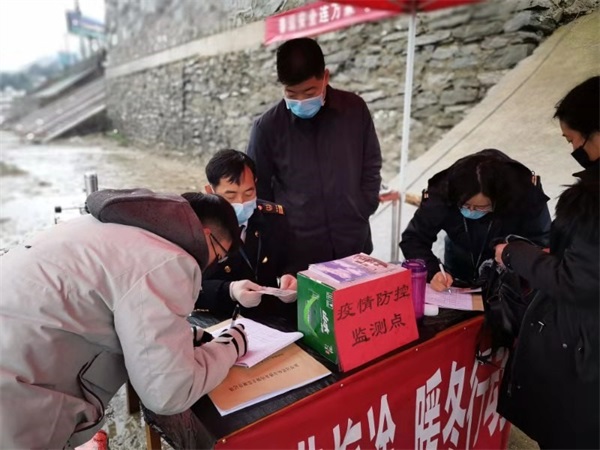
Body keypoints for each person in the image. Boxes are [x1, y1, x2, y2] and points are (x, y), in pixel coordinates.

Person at [0, 189, 248, 449]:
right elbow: (167, 393)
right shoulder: (170, 260)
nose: (214, 263)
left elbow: (104, 304)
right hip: (17, 399)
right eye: (220, 254)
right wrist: (229, 346)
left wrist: (180, 338)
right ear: (207, 235)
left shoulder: (106, 227)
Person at [494, 76, 599, 449]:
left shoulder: (593, 200)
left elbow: (576, 280)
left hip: (585, 356)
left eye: (572, 141)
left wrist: (514, 253)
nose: (574, 150)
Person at [247, 37, 382, 271]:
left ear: (325, 77)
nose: (301, 101)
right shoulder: (267, 128)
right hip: (298, 253)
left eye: (309, 92)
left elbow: (371, 164)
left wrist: (363, 208)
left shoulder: (353, 109)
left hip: (353, 243)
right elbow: (260, 192)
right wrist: (279, 232)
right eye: (291, 93)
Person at [400, 148, 551, 291]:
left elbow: (542, 242)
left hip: (509, 273)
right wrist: (433, 271)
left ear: (498, 202)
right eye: (465, 205)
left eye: (481, 207)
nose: (471, 211)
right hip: (458, 264)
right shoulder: (444, 192)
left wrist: (514, 257)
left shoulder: (523, 195)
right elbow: (414, 238)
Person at [198, 149, 298, 325]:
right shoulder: (199, 228)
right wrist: (230, 290)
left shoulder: (273, 217)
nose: (241, 202)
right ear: (210, 191)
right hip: (222, 321)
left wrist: (291, 276)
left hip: (272, 319)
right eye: (230, 195)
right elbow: (185, 289)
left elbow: (294, 256)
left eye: (249, 193)